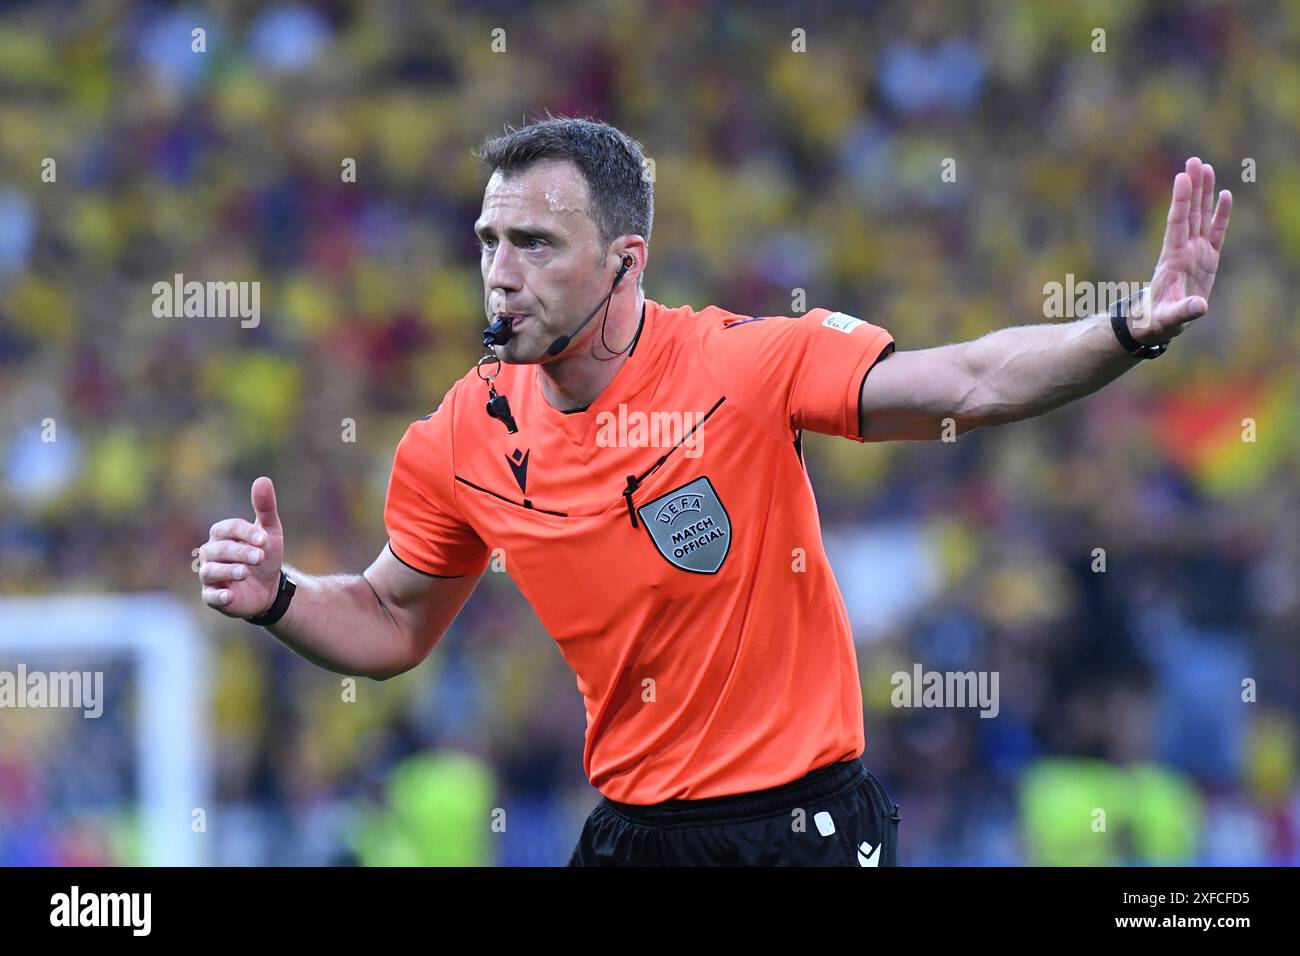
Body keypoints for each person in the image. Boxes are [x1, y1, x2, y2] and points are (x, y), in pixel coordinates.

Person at [196, 116, 1232, 866]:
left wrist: (1127, 329)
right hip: (632, 831)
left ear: (623, 262)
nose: (499, 272)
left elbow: (965, 381)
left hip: (799, 828)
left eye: (535, 243)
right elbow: (389, 620)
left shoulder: (742, 364)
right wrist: (282, 596)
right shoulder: (458, 434)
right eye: (487, 242)